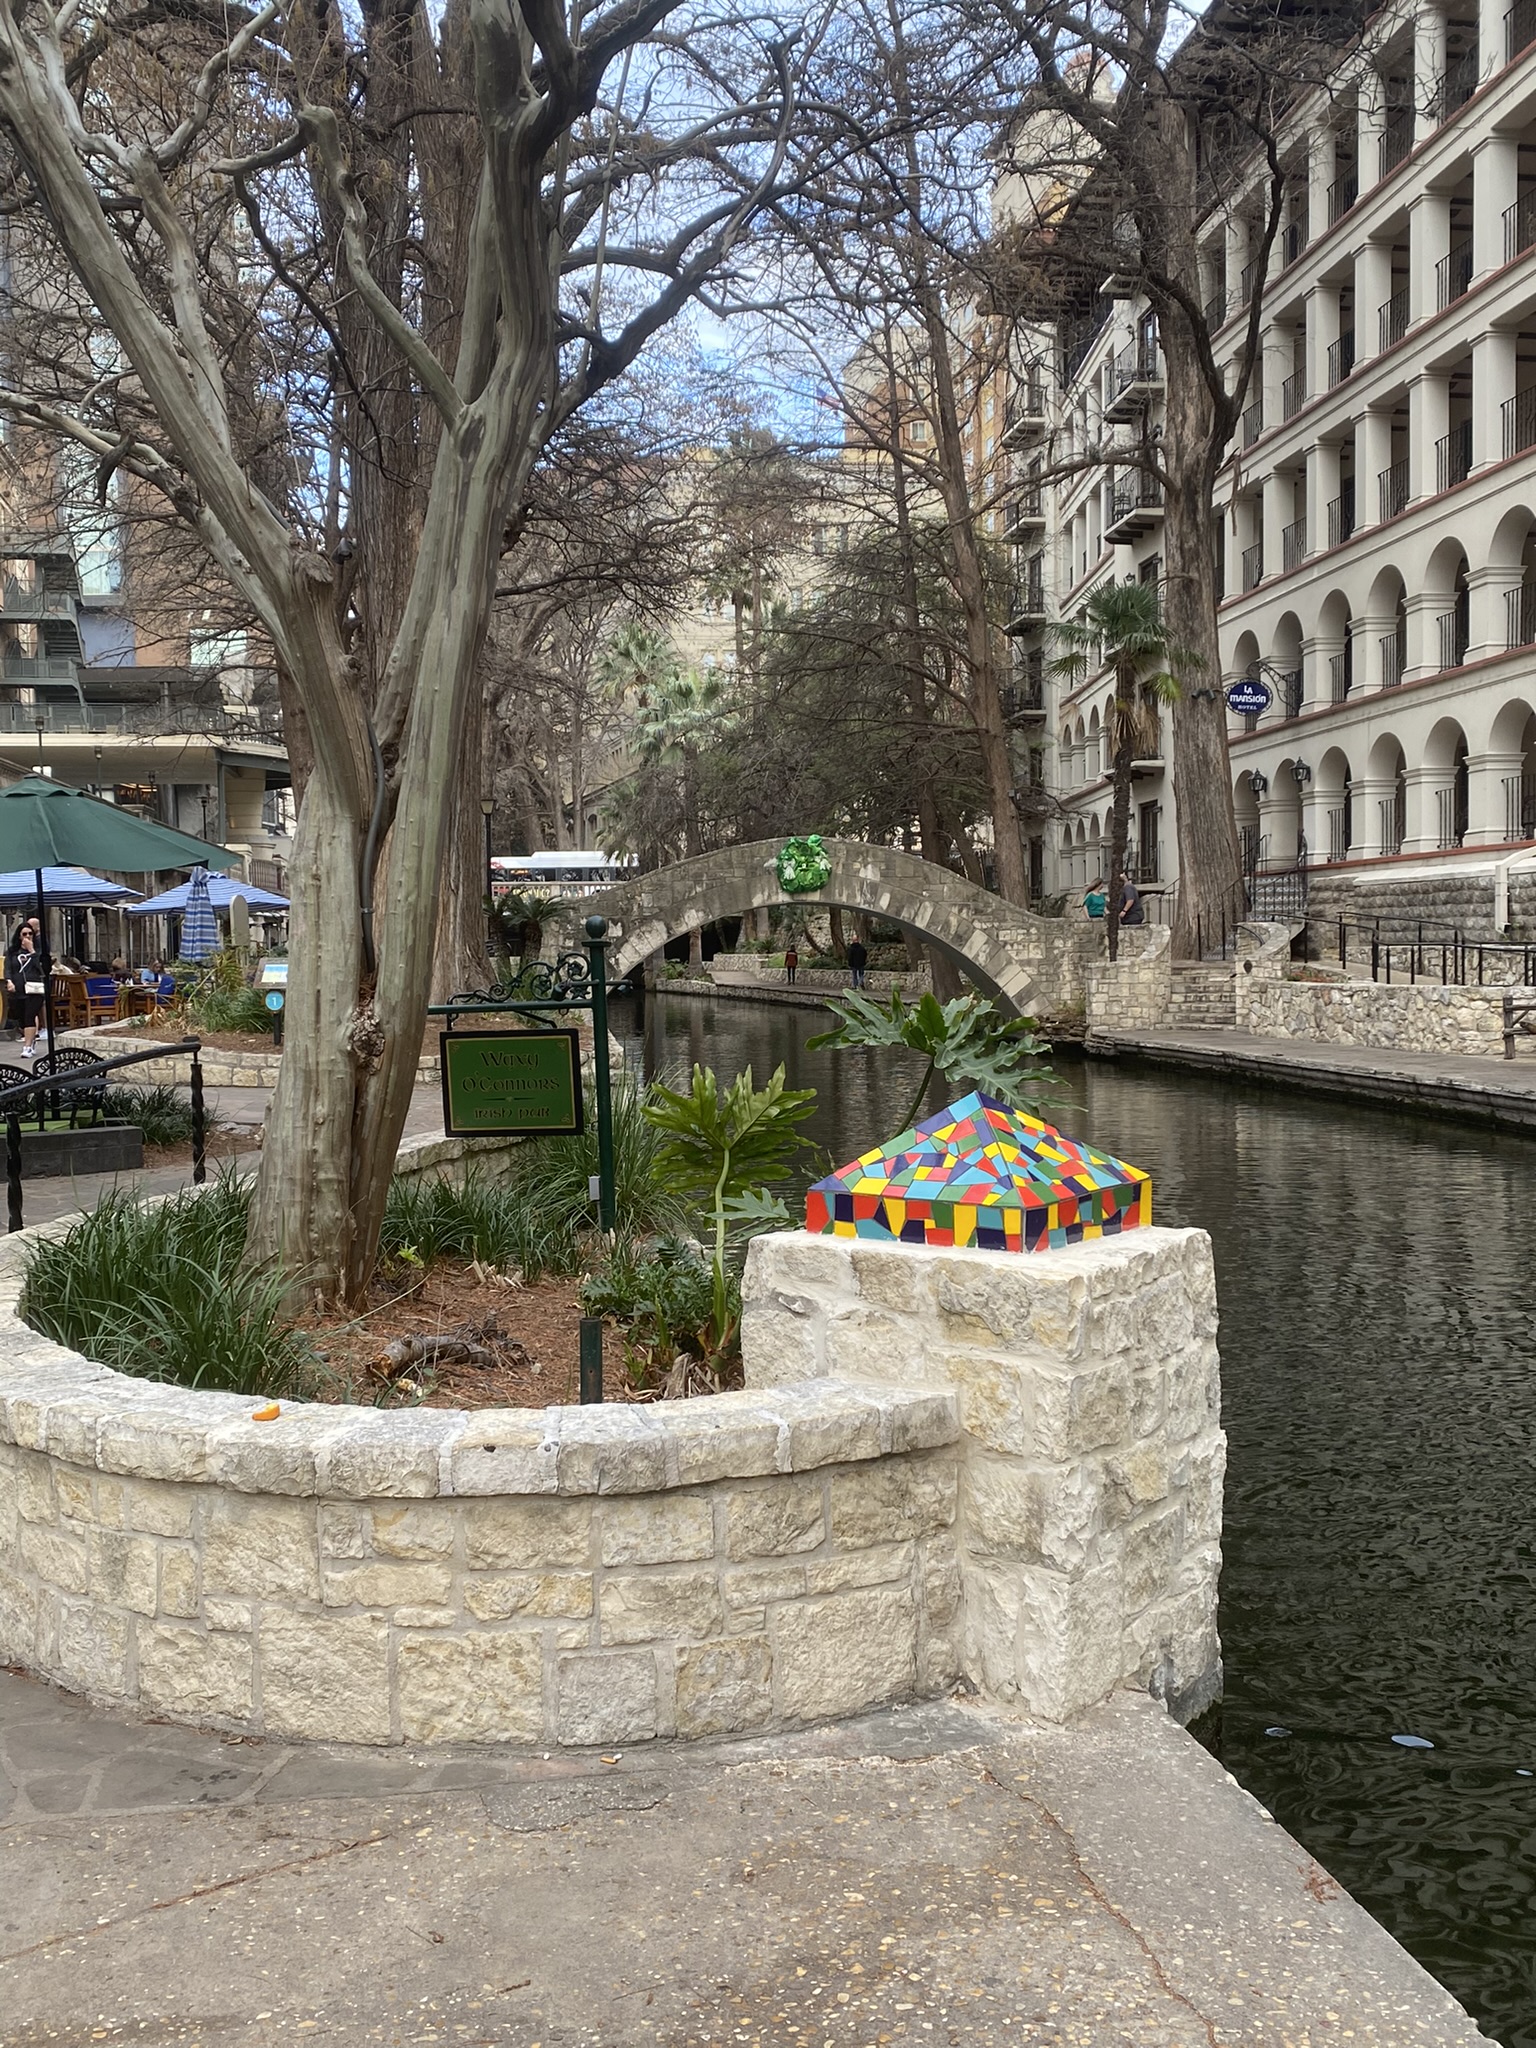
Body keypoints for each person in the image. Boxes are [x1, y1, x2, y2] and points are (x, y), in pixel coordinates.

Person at [4, 924, 48, 1057]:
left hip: (34, 989)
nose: (28, 936)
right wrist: (9, 981)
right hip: (18, 989)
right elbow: (8, 969)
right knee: (22, 1019)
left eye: (30, 933)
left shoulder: (39, 952)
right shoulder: (12, 952)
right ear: (19, 936)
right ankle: (31, 1039)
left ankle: (27, 1047)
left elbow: (42, 969)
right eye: (24, 934)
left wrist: (32, 951)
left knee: (30, 1016)